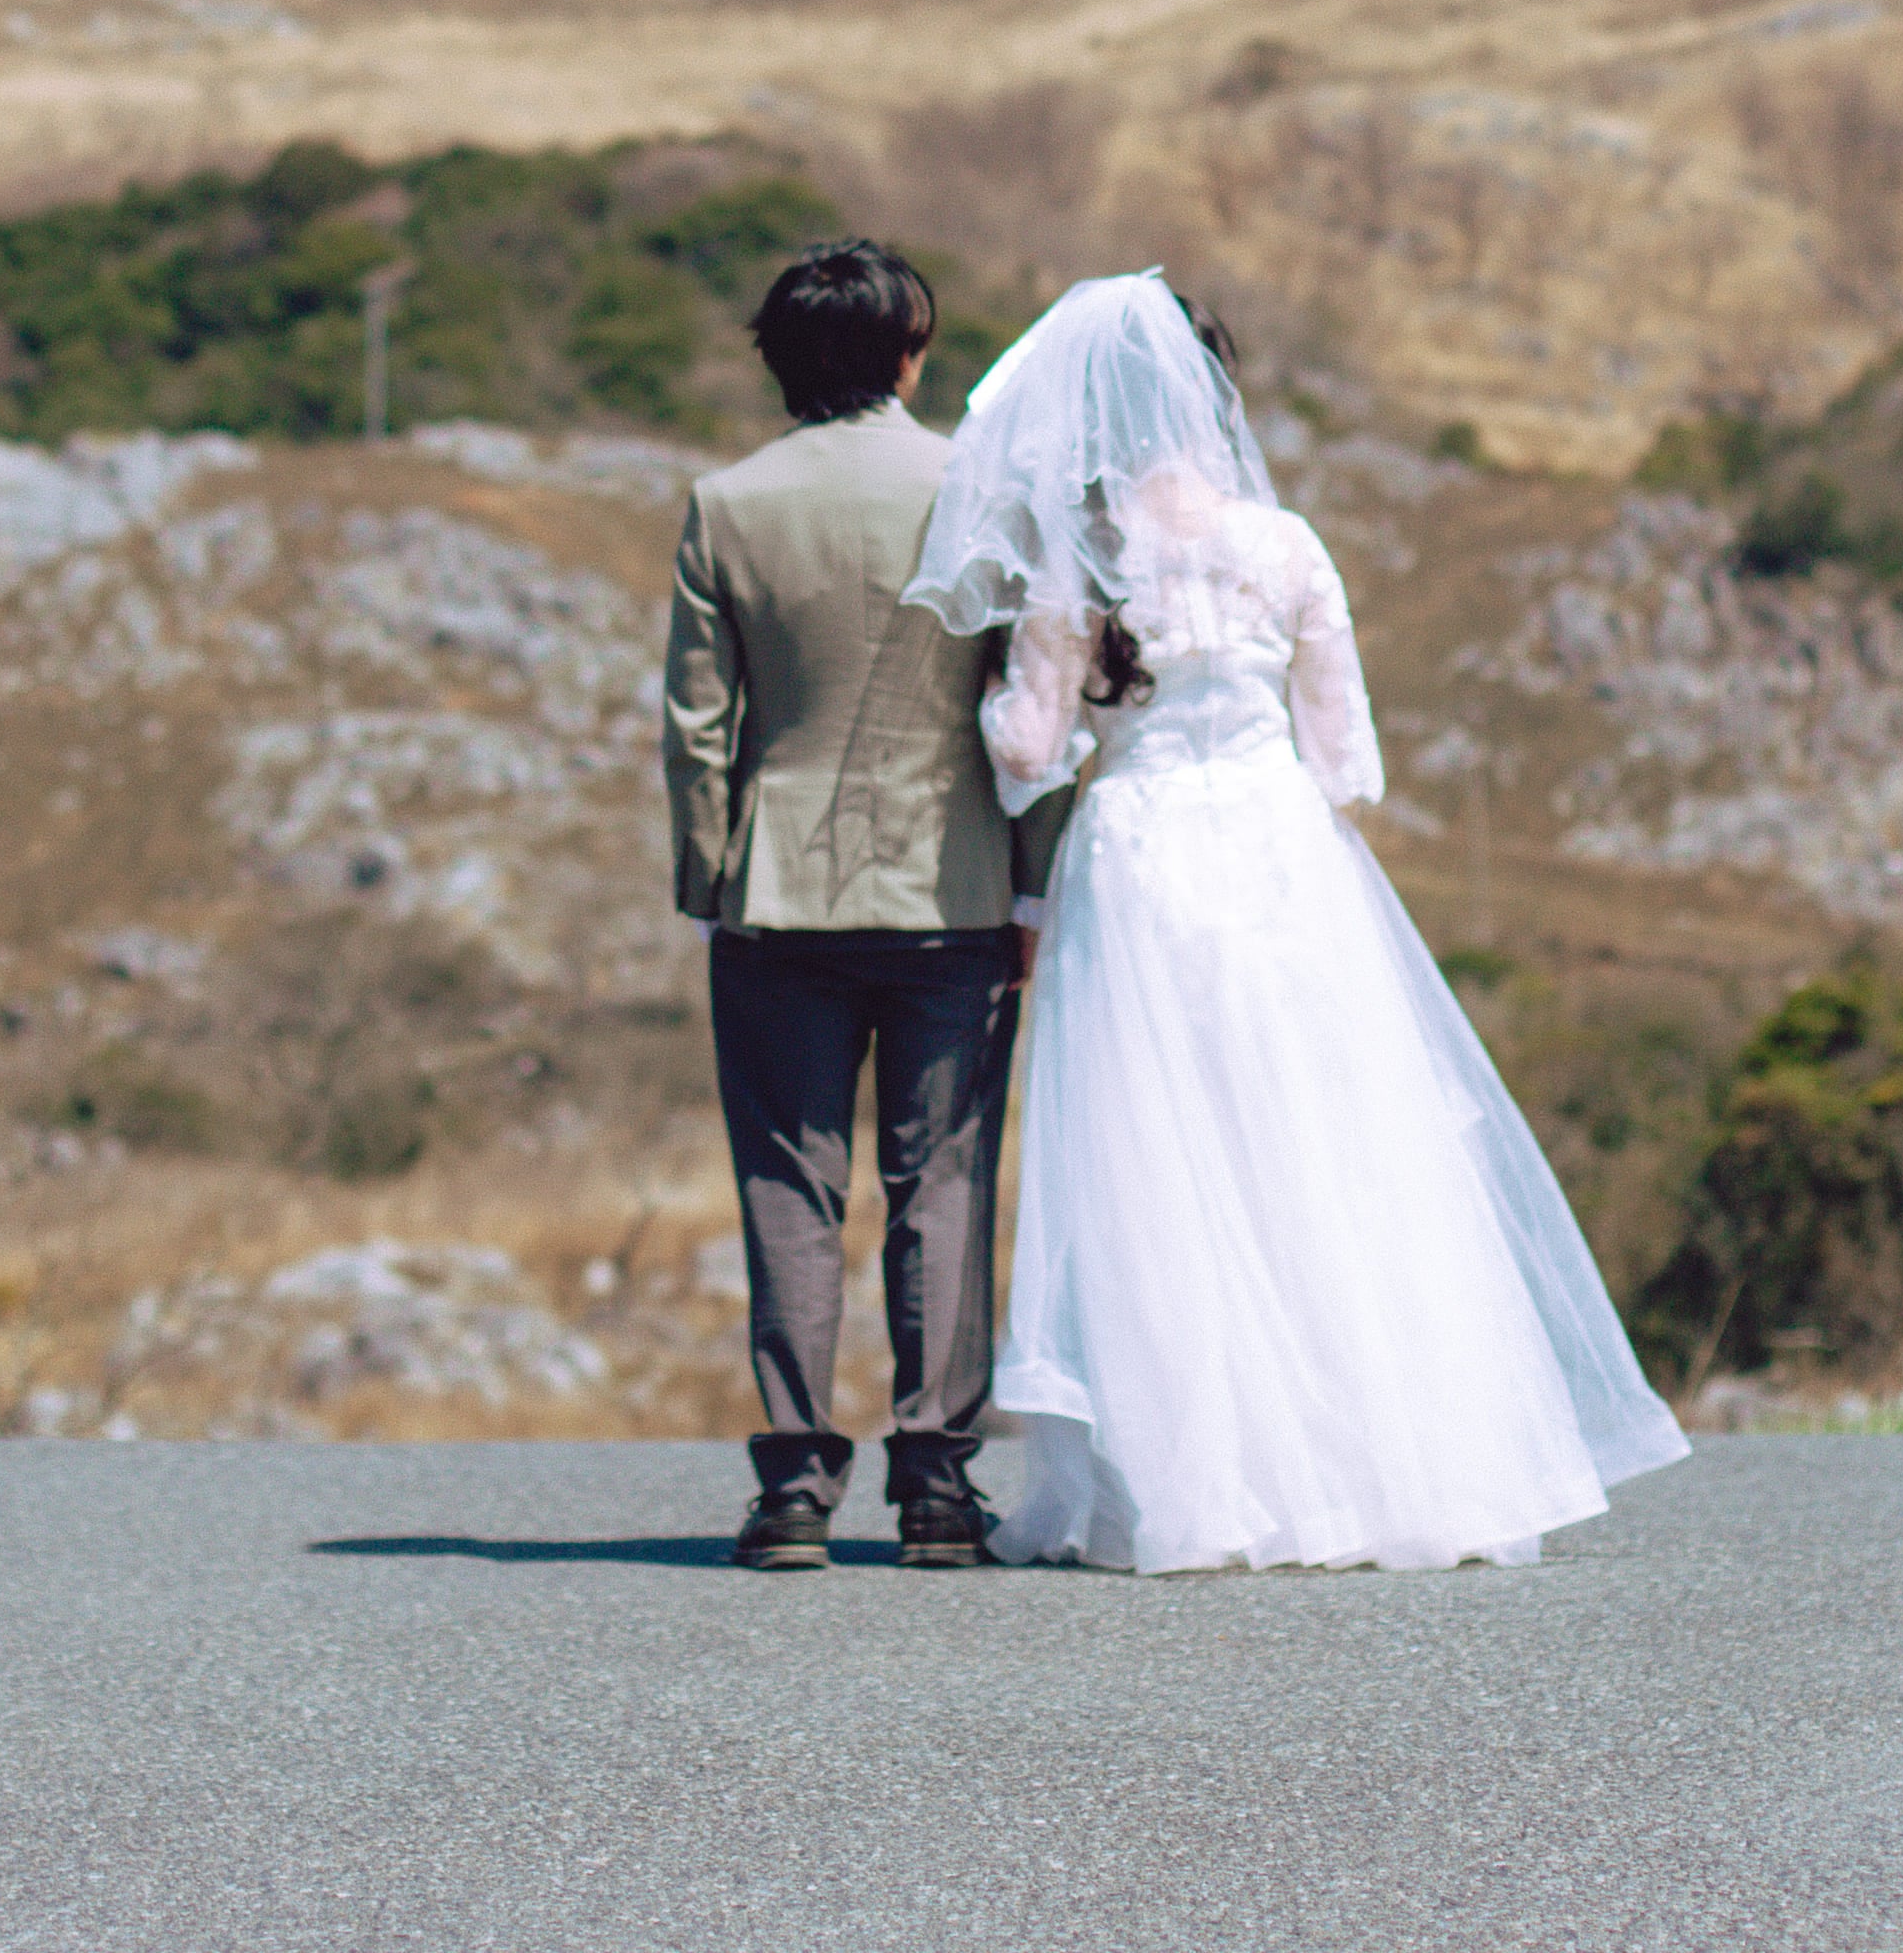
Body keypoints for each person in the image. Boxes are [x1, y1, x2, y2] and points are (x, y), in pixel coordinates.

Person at [910, 273, 1688, 1571]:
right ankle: (1370, 1467)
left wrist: (997, 696)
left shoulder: (1078, 564)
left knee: (1158, 1163)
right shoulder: (1286, 546)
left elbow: (1030, 753)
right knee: (1321, 1142)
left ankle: (1197, 1483)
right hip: (1277, 855)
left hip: (1144, 859)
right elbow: (1346, 762)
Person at [658, 235, 1050, 1572]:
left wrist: (707, 879)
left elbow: (697, 726)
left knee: (789, 1184)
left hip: (778, 893)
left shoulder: (727, 504)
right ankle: (938, 1485)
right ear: (907, 352)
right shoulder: (981, 492)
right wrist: (1037, 873)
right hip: (955, 885)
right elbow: (1028, 710)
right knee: (940, 1178)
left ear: (781, 363)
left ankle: (794, 1490)